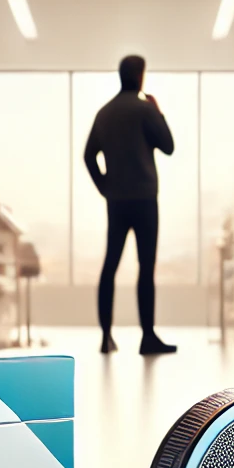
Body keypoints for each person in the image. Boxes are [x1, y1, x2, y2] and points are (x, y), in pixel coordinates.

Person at [83, 55, 178, 355]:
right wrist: (158, 112)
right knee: (145, 266)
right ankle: (147, 337)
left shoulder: (105, 113)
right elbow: (169, 146)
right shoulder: (144, 110)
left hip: (117, 200)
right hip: (145, 199)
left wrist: (105, 188)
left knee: (110, 264)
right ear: (140, 76)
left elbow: (88, 156)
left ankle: (106, 337)